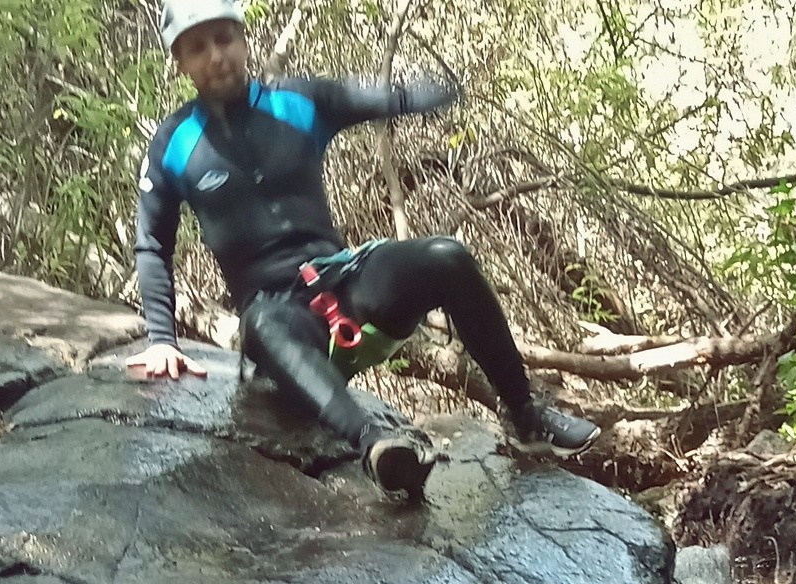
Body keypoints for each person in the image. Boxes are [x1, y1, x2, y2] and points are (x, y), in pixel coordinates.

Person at [124, 0, 600, 502]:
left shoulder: (298, 102)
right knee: (260, 323)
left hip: (347, 283)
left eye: (224, 39)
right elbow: (153, 244)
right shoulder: (173, 144)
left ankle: (525, 416)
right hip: (282, 321)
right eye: (198, 48)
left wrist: (443, 90)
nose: (216, 56)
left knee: (447, 257)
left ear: (243, 40)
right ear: (180, 61)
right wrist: (162, 340)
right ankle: (374, 444)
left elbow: (381, 96)